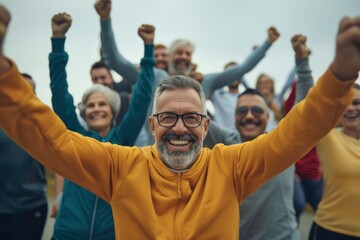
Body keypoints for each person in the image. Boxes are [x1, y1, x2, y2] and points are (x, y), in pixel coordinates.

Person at [0, 5, 359, 239]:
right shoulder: (120, 166)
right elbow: (51, 140)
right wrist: (4, 80)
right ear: (153, 126)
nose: (180, 128)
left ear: (205, 126)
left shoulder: (232, 166)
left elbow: (296, 134)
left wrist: (341, 77)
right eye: (168, 117)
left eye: (191, 118)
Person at [95, 0, 280, 146]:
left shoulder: (204, 83)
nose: (183, 57)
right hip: (156, 157)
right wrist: (105, 20)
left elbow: (241, 70)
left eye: (187, 54)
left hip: (194, 162)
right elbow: (115, 61)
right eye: (179, 53)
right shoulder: (153, 77)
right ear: (169, 57)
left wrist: (268, 43)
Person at [48, 12, 155, 239]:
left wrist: (148, 49)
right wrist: (58, 41)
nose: (96, 108)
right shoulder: (75, 137)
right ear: (84, 112)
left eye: (102, 104)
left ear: (113, 112)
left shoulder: (122, 139)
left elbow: (142, 98)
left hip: (110, 234)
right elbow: (59, 95)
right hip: (67, 234)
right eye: (90, 105)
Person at [0, 73, 48, 240]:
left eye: (30, 90)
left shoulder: (44, 124)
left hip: (33, 205)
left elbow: (60, 163)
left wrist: (61, 195)